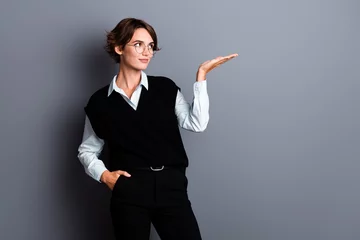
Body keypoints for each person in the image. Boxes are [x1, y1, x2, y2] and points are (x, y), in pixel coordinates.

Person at [77, 17, 237, 240]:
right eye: (138, 45)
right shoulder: (99, 102)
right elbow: (87, 150)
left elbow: (196, 124)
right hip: (129, 191)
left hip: (171, 187)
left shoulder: (165, 88)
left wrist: (201, 77)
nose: (147, 52)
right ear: (119, 48)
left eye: (150, 46)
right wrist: (105, 176)